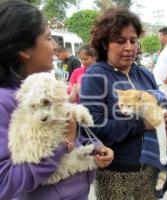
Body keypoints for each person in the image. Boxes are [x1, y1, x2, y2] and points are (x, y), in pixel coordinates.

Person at [0, 1, 113, 199]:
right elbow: (5, 181)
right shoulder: (5, 101)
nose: (54, 46)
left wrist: (93, 147)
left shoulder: (45, 88)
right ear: (25, 49)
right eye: (49, 38)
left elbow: (62, 129)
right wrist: (65, 143)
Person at [80, 7, 167, 200]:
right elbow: (93, 126)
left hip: (150, 171)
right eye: (120, 41)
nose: (129, 47)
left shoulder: (144, 74)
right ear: (105, 43)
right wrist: (143, 124)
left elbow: (159, 111)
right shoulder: (96, 75)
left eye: (133, 40)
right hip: (116, 175)